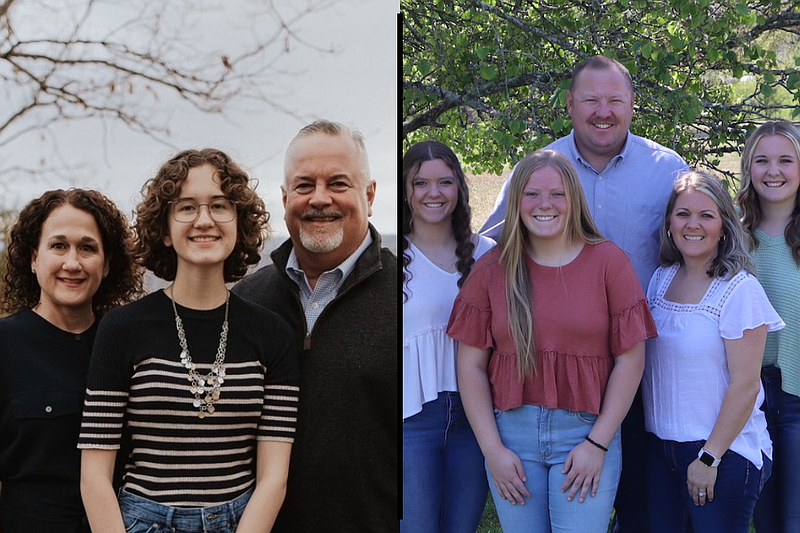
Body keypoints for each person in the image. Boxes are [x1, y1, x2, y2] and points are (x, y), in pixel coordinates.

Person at [481, 55, 688, 532]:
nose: (604, 111)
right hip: (562, 370)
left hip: (648, 361)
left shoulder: (666, 170)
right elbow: (493, 247)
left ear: (632, 104)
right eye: (591, 100)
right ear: (570, 104)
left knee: (642, 501)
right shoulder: (538, 171)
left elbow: (700, 235)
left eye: (615, 100)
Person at [78, 148, 300, 533]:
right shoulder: (121, 329)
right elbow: (95, 476)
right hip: (142, 523)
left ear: (239, 223)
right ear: (164, 229)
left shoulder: (273, 333)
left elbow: (273, 478)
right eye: (186, 207)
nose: (204, 220)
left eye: (219, 206)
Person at [447, 149, 656, 533]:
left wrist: (598, 445)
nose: (545, 204)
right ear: (516, 201)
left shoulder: (609, 263)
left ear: (574, 199)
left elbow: (631, 360)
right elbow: (470, 366)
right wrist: (493, 452)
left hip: (587, 434)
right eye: (531, 194)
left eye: (557, 194)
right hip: (511, 437)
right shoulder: (493, 269)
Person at [232, 120, 397, 532]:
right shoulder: (246, 303)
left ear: (370, 195)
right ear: (285, 197)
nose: (319, 199)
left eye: (338, 183)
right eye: (304, 185)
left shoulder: (406, 296)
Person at [642, 170, 782, 533]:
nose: (694, 224)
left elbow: (746, 386)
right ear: (670, 222)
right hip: (662, 451)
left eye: (706, 215)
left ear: (723, 226)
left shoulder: (739, 290)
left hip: (723, 454)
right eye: (683, 213)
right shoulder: (660, 279)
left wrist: (709, 457)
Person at [0, 188, 142, 533]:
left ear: (107, 264)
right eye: (58, 245)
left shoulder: (133, 346)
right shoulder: (5, 344)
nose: (73, 263)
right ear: (34, 258)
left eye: (88, 248)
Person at [402, 140, 493, 532]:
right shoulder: (394, 260)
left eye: (445, 182)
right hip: (411, 418)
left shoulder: (487, 254)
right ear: (406, 191)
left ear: (459, 187)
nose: (434, 193)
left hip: (475, 420)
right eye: (421, 183)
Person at [737, 121, 800, 533]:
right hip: (748, 400)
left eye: (785, 160)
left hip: (797, 399)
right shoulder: (732, 238)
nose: (772, 170)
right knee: (765, 521)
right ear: (748, 169)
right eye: (762, 160)